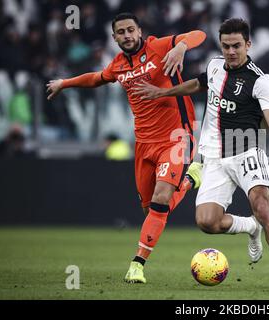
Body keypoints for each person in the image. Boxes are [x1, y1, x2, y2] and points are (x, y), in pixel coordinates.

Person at [131, 18, 269, 288]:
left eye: (236, 46)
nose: (231, 51)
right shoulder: (213, 66)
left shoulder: (260, 81)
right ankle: (249, 227)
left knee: (262, 207)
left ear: (248, 44)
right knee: (206, 222)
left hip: (247, 152)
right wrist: (163, 92)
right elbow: (198, 85)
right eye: (225, 46)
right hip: (213, 157)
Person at [46, 13, 206, 284]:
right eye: (121, 32)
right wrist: (65, 83)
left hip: (177, 136)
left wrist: (180, 47)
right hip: (143, 144)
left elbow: (198, 34)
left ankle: (137, 265)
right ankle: (190, 181)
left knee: (161, 198)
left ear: (140, 30)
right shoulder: (118, 65)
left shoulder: (158, 45)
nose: (127, 35)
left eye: (131, 30)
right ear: (114, 38)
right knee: (153, 211)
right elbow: (96, 78)